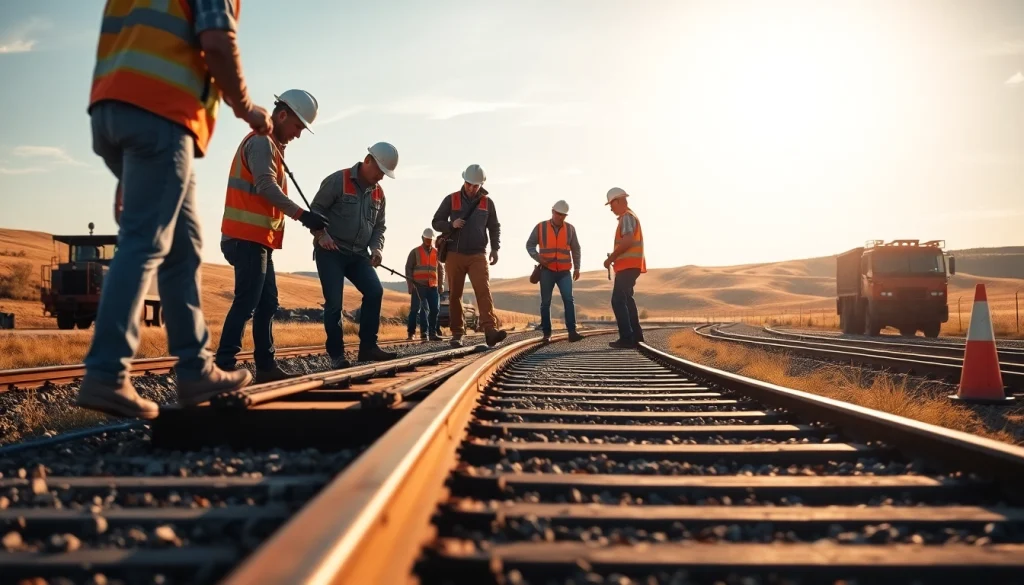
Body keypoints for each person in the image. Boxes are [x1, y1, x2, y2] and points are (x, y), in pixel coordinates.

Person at [77, 0, 271, 419]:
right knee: (144, 242)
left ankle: (195, 370)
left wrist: (127, 171)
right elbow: (217, 43)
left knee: (183, 248)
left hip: (111, 110)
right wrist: (247, 109)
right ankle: (106, 372)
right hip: (160, 113)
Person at [215, 89, 325, 383]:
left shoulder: (272, 146)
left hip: (258, 239)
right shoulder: (262, 142)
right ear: (283, 115)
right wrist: (302, 215)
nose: (298, 134)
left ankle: (265, 367)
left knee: (267, 303)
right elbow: (265, 186)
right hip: (245, 237)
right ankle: (224, 366)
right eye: (297, 127)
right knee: (247, 302)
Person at [310, 143, 399, 367]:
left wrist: (377, 248)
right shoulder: (337, 180)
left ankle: (368, 348)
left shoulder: (379, 193)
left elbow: (379, 227)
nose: (381, 177)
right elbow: (315, 211)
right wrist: (321, 234)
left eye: (385, 173)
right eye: (379, 170)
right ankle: (337, 355)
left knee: (375, 291)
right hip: (330, 251)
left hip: (359, 254)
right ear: (367, 160)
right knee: (334, 303)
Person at [431, 164, 507, 348]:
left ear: (481, 185)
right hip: (454, 254)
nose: (472, 188)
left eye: (475, 185)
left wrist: (495, 249)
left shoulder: (487, 203)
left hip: (478, 255)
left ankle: (490, 331)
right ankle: (457, 334)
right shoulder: (451, 199)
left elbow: (494, 227)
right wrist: (451, 224)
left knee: (483, 292)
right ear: (464, 181)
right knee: (455, 295)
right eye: (469, 184)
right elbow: (436, 222)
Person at [526, 200, 584, 343]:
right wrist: (538, 258)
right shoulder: (541, 227)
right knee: (545, 302)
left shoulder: (570, 229)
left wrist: (577, 267)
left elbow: (576, 249)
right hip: (547, 271)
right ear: (552, 211)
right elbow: (530, 245)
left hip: (564, 272)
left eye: (563, 215)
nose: (560, 217)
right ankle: (547, 334)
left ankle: (572, 332)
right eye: (558, 214)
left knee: (569, 300)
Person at [603, 187, 647, 348]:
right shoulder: (629, 217)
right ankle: (636, 335)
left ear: (618, 201)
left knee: (618, 300)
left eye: (611, 204)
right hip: (631, 266)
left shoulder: (627, 217)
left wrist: (611, 258)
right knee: (627, 299)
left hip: (628, 267)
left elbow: (628, 241)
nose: (611, 208)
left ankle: (627, 338)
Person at [405, 228, 445, 342]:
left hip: (433, 286)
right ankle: (413, 333)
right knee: (417, 309)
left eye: (430, 240)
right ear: (422, 238)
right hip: (418, 286)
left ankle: (432, 333)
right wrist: (410, 285)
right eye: (427, 239)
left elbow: (441, 270)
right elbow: (408, 268)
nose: (428, 242)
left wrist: (441, 285)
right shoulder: (415, 252)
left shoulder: (436, 253)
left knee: (435, 309)